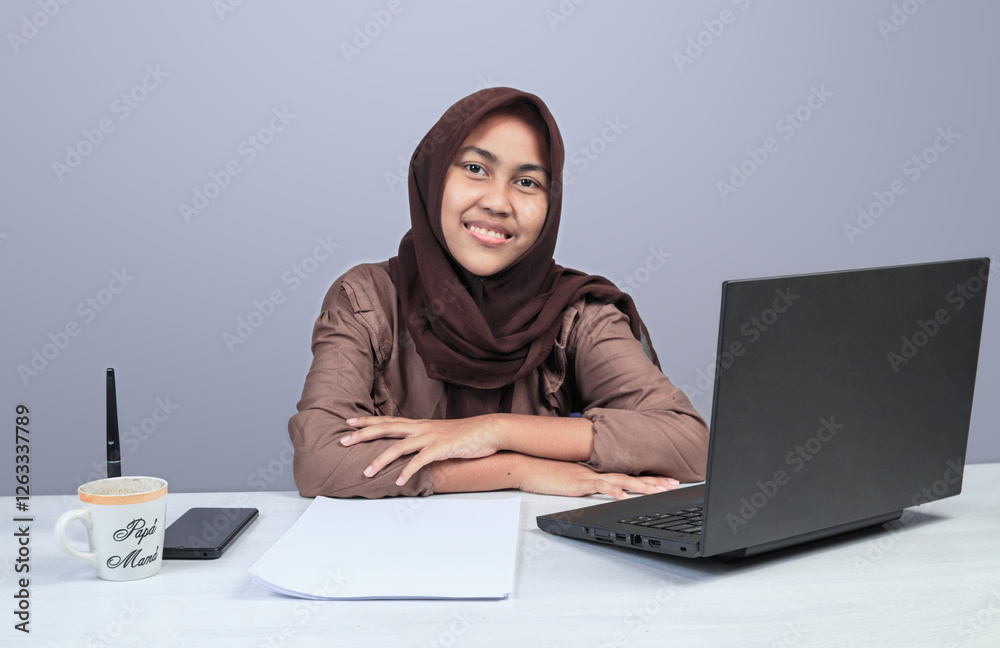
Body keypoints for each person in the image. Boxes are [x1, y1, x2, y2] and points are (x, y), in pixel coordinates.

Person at [289, 87, 709, 500]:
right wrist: (519, 469)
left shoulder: (578, 312)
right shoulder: (367, 299)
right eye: (475, 169)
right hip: (390, 559)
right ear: (433, 177)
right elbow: (320, 459)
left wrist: (493, 430)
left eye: (526, 182)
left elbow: (689, 443)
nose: (498, 202)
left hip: (542, 555)